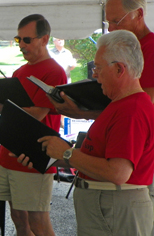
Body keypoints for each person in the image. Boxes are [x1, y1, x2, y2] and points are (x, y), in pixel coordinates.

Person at [18, 30, 154, 235]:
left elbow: (117, 173)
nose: (94, 74)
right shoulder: (121, 106)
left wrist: (66, 153)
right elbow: (95, 158)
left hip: (114, 206)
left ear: (119, 69)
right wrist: (46, 155)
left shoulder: (131, 110)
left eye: (98, 68)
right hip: (109, 206)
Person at [0, 14, 66, 236]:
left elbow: (36, 115)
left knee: (38, 222)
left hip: (33, 156)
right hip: (9, 157)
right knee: (18, 219)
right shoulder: (19, 72)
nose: (21, 45)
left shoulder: (54, 71)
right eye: (18, 39)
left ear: (44, 39)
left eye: (27, 40)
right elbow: (10, 120)